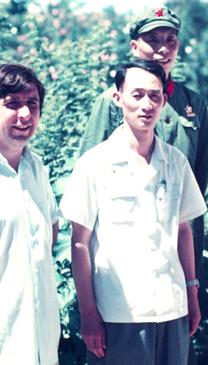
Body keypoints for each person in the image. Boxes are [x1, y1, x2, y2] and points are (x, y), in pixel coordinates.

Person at [61, 60, 206, 365]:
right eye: (137, 95)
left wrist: (192, 295)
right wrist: (88, 313)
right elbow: (79, 244)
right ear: (118, 98)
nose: (146, 104)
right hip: (119, 313)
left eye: (154, 96)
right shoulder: (95, 163)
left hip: (172, 308)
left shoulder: (176, 163)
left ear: (164, 101)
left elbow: (183, 231)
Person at [79, 7, 208, 297]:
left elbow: (198, 181)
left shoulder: (192, 104)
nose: (163, 48)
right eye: (152, 39)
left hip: (178, 239)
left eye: (170, 39)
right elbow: (86, 178)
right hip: (123, 245)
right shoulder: (112, 101)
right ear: (134, 46)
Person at [0, 63, 60, 365]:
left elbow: (51, 231)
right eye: (12, 104)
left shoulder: (36, 168)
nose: (25, 114)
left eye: (32, 104)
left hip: (41, 340)